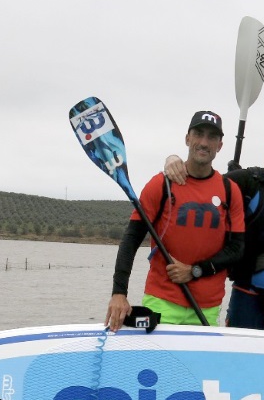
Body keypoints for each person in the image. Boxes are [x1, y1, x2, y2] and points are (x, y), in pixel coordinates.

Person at [165, 121, 264, 333]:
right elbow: (201, 180)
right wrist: (173, 160)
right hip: (247, 298)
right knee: (239, 365)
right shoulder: (246, 181)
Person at [105, 110, 245, 330]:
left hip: (207, 307)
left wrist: (195, 270)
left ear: (220, 145)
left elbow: (237, 249)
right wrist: (119, 293)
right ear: (187, 138)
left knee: (196, 366)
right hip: (162, 301)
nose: (203, 142)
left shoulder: (230, 191)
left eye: (212, 137)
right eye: (198, 134)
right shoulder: (160, 185)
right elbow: (131, 240)